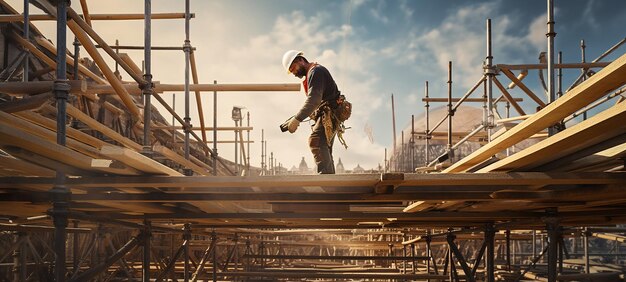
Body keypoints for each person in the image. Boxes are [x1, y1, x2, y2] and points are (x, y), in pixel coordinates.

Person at [282, 50, 341, 174]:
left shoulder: (316, 71)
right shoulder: (312, 73)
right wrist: (294, 118)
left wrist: (297, 119)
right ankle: (331, 181)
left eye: (293, 68)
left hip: (331, 112)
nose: (294, 73)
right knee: (325, 147)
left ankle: (326, 180)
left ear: (301, 60)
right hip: (330, 112)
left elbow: (314, 99)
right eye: (291, 71)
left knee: (316, 141)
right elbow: (316, 102)